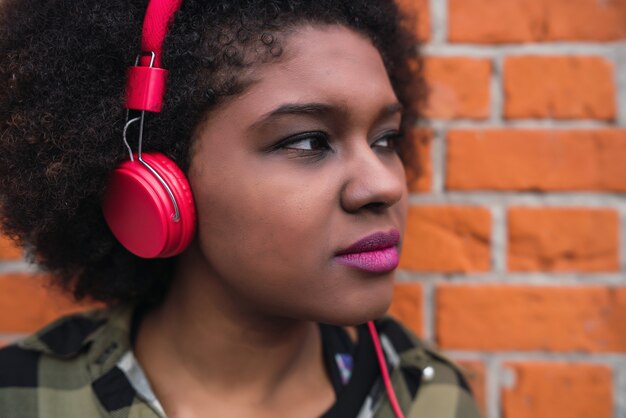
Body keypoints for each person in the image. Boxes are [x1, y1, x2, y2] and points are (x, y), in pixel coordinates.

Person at [0, 0, 481, 417]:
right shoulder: (24, 396)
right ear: (160, 183)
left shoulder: (431, 401)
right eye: (310, 141)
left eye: (386, 139)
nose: (384, 184)